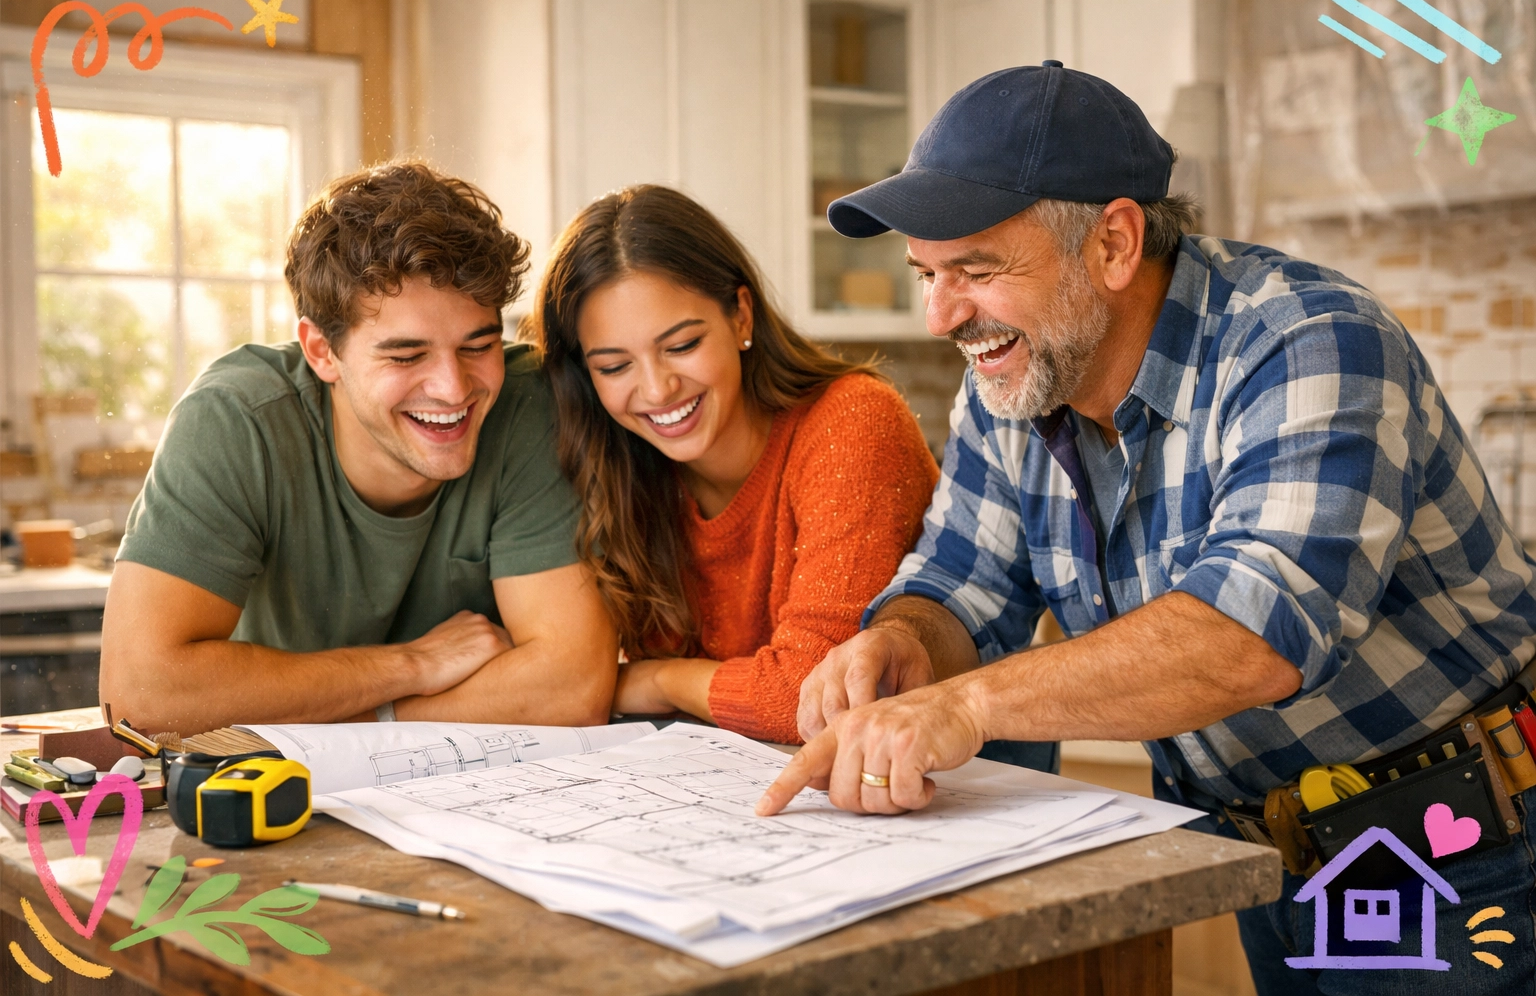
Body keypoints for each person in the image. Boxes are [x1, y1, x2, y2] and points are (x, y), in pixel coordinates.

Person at [755, 63, 1536, 993]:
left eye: (976, 270)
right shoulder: (1012, 382)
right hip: (1264, 851)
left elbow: (1250, 637)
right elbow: (961, 579)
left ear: (1115, 243)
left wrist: (963, 706)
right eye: (926, 272)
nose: (941, 316)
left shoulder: (1309, 339)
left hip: (1461, 848)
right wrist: (900, 644)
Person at [100, 162, 617, 735]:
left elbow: (571, 687)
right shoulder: (236, 420)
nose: (454, 388)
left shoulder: (526, 404)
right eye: (405, 356)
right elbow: (141, 694)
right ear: (322, 352)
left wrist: (367, 714)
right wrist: (412, 665)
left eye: (478, 344)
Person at [527, 185, 937, 745]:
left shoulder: (852, 423)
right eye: (615, 365)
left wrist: (661, 680)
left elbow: (809, 697)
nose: (656, 388)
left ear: (741, 316)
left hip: (953, 783)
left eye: (681, 345)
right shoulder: (615, 466)